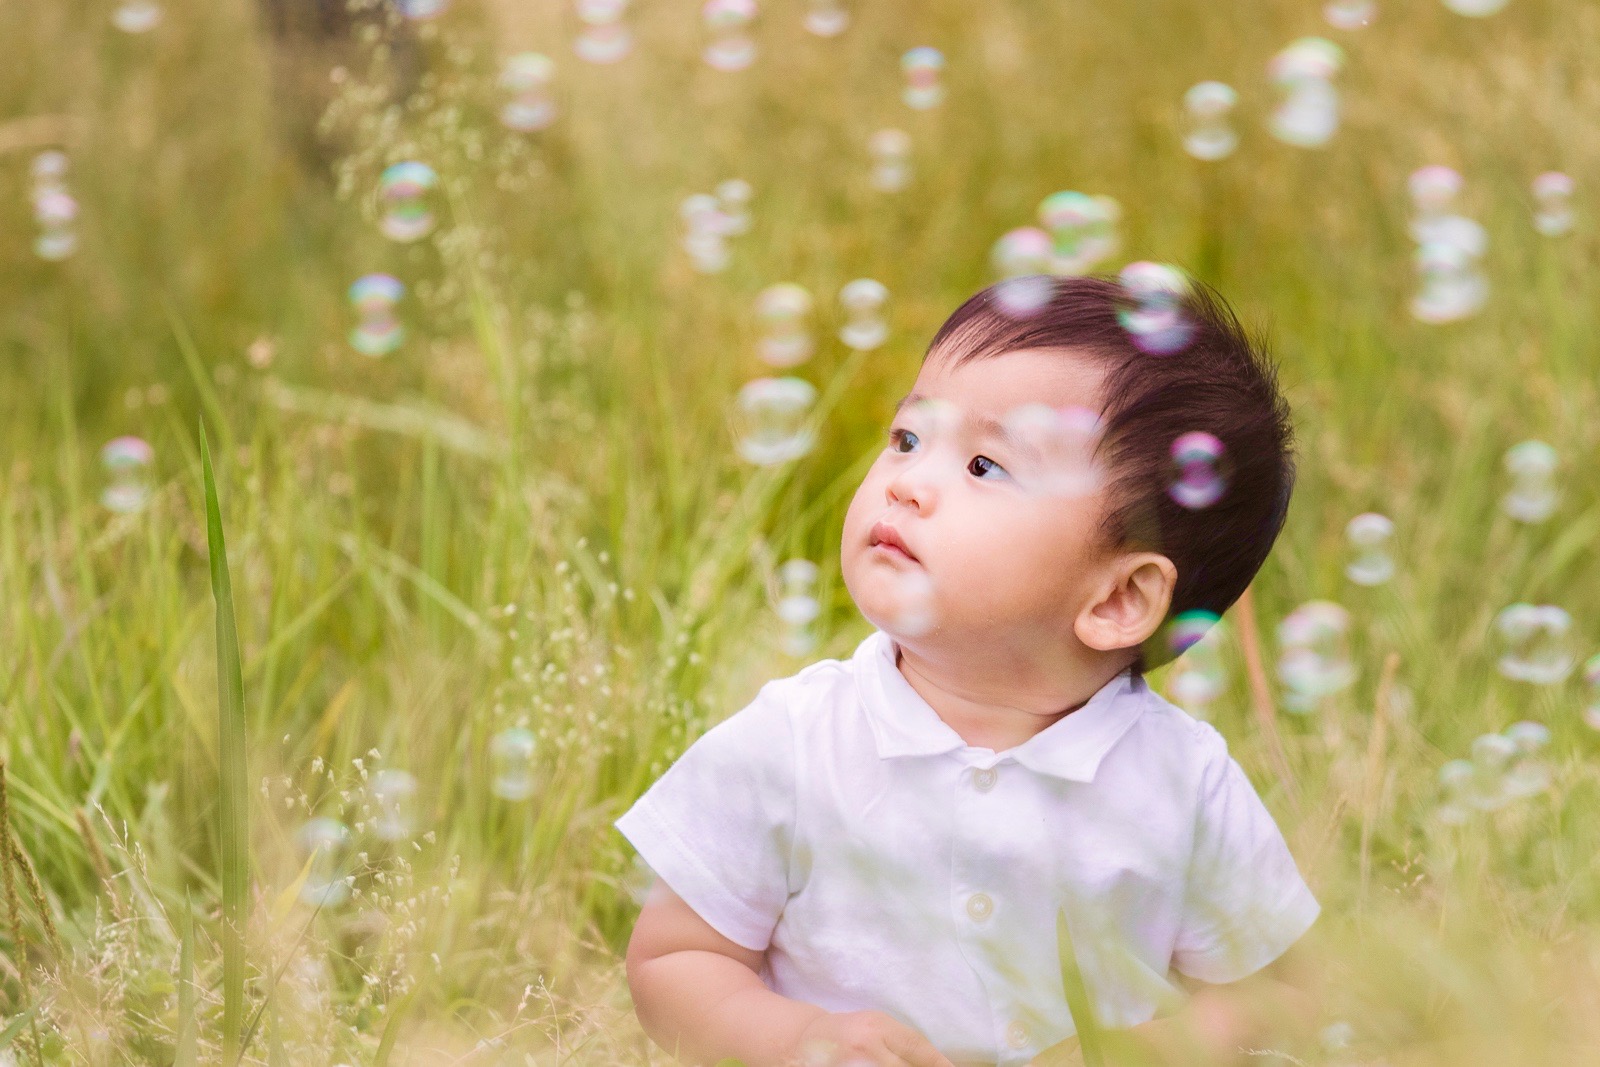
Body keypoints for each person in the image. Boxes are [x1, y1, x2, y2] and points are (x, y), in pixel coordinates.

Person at [615, 274, 1320, 1067]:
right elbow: (674, 962)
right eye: (909, 438)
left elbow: (1280, 998)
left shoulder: (1181, 781)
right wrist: (799, 1039)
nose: (908, 483)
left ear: (1121, 597)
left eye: (984, 465)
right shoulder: (794, 741)